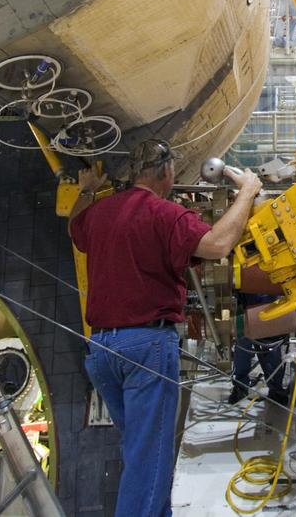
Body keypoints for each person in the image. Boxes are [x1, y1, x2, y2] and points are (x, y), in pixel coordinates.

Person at [69, 139, 262, 517]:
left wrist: (87, 190)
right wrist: (248, 194)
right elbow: (219, 243)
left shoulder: (100, 211)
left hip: (102, 349)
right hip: (146, 346)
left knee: (141, 450)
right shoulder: (166, 214)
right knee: (148, 458)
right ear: (166, 173)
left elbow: (73, 228)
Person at [228, 291, 289, 406]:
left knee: (270, 345)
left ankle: (275, 388)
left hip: (266, 298)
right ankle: (241, 386)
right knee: (244, 344)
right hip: (246, 297)